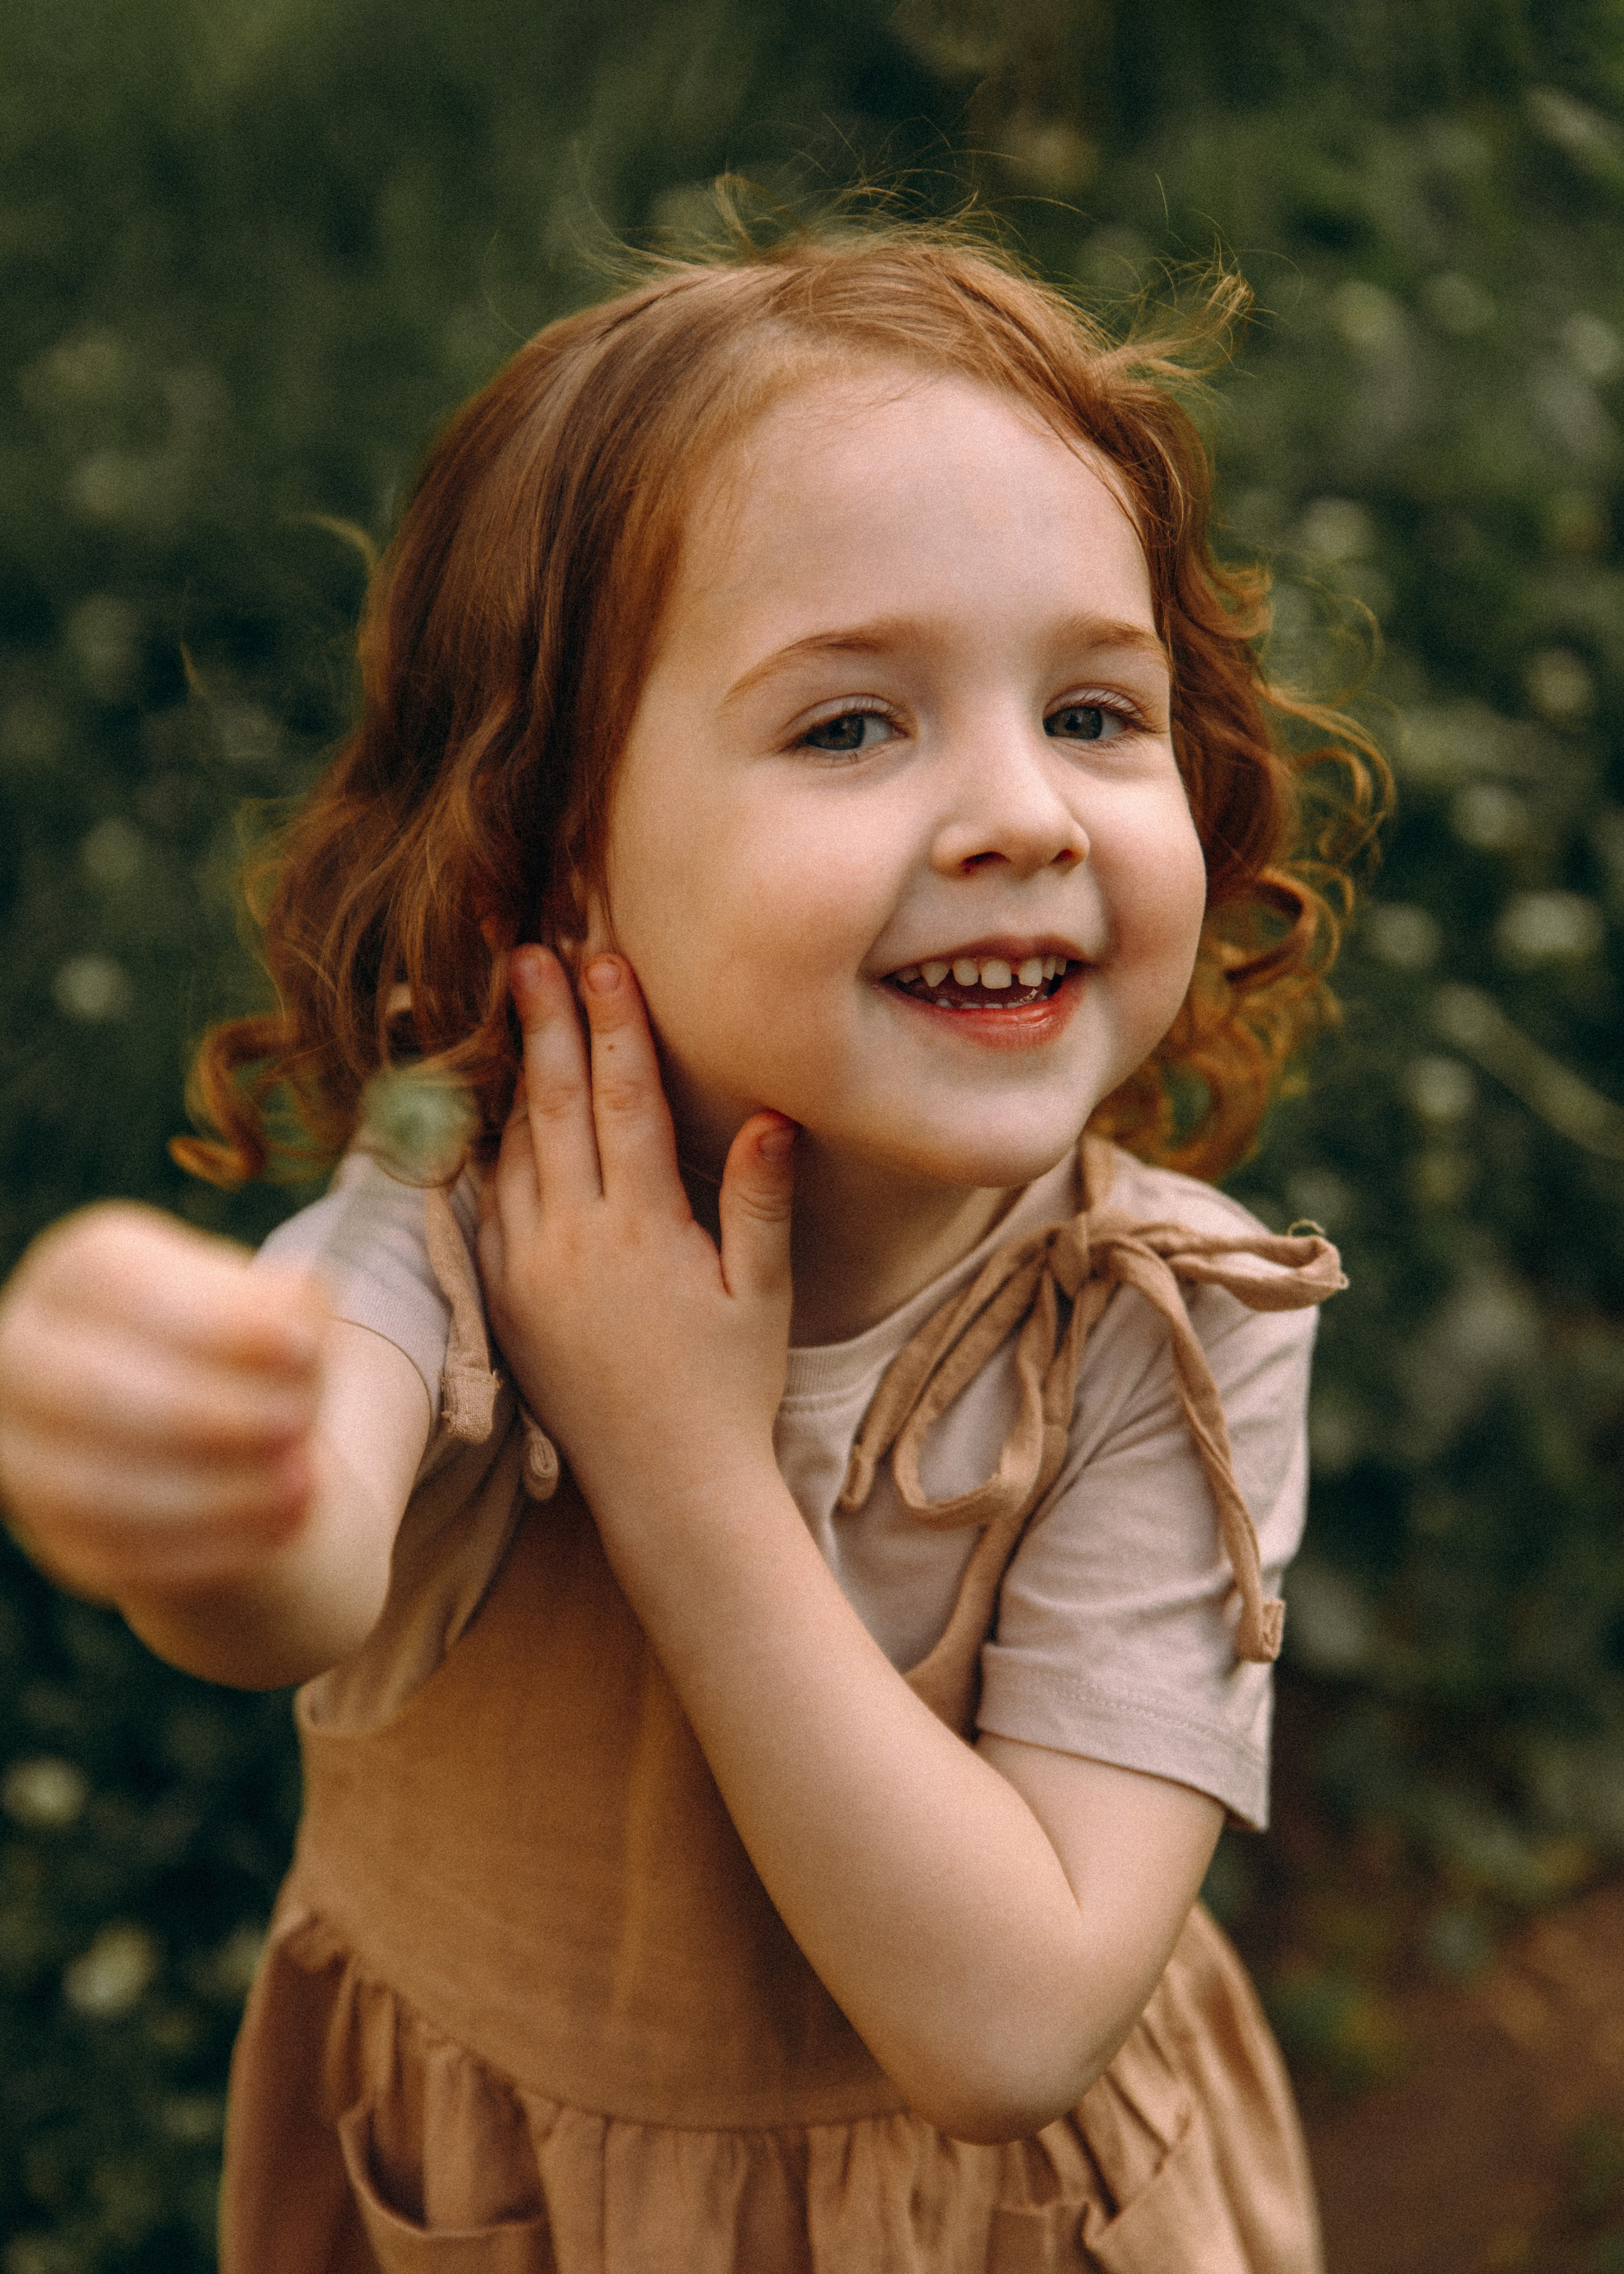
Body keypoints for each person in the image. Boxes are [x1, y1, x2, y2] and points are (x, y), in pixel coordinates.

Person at [0, 221, 1382, 2271]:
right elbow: (286, 1576)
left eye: (1096, 711)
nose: (1026, 814)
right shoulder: (456, 1228)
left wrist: (678, 1466)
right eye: (850, 728)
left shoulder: (1162, 1325)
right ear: (554, 847)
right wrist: (168, 1443)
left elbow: (1013, 2024)